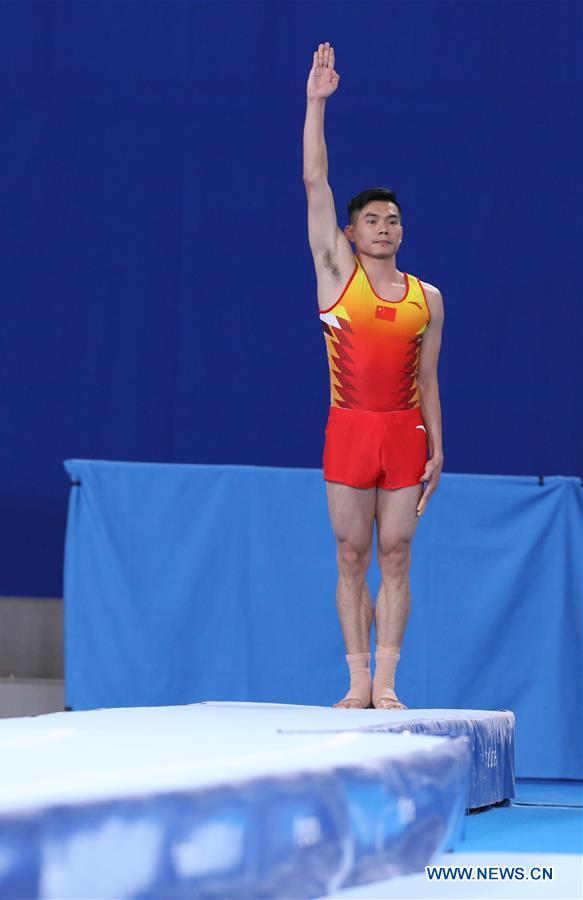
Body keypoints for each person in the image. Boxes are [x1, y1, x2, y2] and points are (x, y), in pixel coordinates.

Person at [303, 42, 445, 710]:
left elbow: (426, 377)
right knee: (351, 554)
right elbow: (314, 181)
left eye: (392, 219)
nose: (383, 227)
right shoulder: (337, 276)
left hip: (404, 431)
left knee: (395, 554)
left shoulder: (427, 298)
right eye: (371, 220)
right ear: (350, 235)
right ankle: (356, 678)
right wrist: (315, 104)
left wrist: (437, 444)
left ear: (401, 230)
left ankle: (386, 681)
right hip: (350, 428)